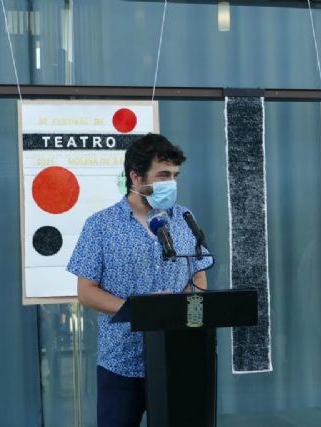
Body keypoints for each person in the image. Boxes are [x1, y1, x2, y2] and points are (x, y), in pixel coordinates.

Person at [67, 133, 212, 427]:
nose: (171, 183)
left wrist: (181, 310)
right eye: (163, 175)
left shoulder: (184, 217)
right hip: (120, 363)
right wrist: (143, 311)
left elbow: (199, 273)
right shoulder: (100, 225)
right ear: (135, 177)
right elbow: (87, 292)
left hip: (177, 356)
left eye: (175, 175)